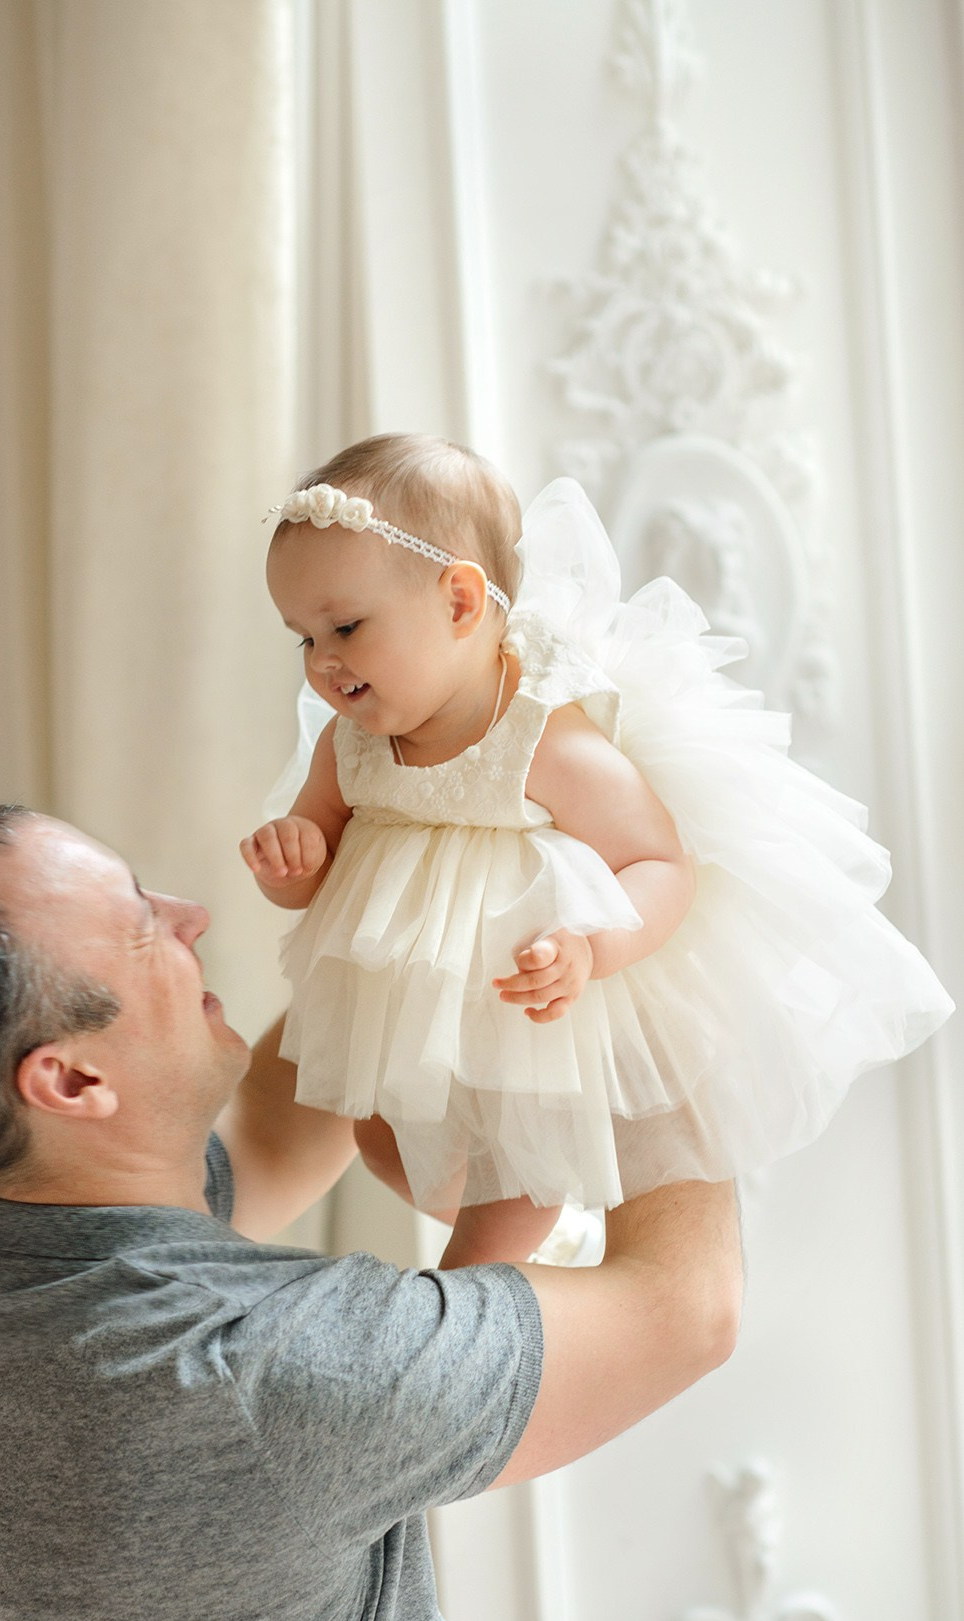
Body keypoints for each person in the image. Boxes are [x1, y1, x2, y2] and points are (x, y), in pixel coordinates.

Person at [0, 802, 740, 1621]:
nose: (191, 914)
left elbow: (278, 1129)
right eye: (140, 924)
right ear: (69, 1079)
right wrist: (644, 1001)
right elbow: (685, 1310)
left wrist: (415, 890)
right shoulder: (257, 1372)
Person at [242, 433, 953, 1271]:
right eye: (303, 639)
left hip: (528, 999)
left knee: (507, 1178)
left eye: (345, 628)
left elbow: (661, 863)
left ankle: (481, 1288)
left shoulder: (542, 737)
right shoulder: (349, 746)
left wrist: (591, 949)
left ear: (460, 603)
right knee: (381, 1145)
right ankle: (555, 1246)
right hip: (409, 998)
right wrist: (293, 857)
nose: (323, 664)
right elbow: (313, 874)